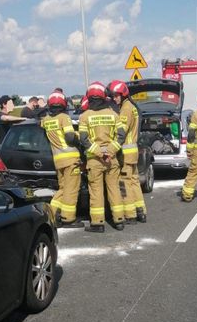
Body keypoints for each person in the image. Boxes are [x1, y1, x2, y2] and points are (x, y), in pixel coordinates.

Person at [78, 82, 126, 233]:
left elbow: (84, 140)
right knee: (114, 189)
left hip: (94, 159)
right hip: (112, 159)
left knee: (96, 191)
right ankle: (119, 220)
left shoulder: (84, 116)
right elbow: (121, 135)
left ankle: (98, 223)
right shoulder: (113, 114)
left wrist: (99, 152)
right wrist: (110, 152)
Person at [42, 91, 84, 228]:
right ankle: (68, 219)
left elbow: (41, 124)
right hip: (71, 159)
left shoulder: (46, 120)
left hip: (58, 161)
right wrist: (79, 138)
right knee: (71, 190)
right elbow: (70, 137)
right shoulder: (64, 117)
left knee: (63, 189)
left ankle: (51, 214)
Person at [110, 80, 147, 224]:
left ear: (123, 94)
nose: (114, 98)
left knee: (124, 183)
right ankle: (141, 211)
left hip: (125, 152)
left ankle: (130, 214)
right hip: (132, 152)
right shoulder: (132, 106)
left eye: (116, 95)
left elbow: (121, 132)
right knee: (134, 182)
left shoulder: (125, 108)